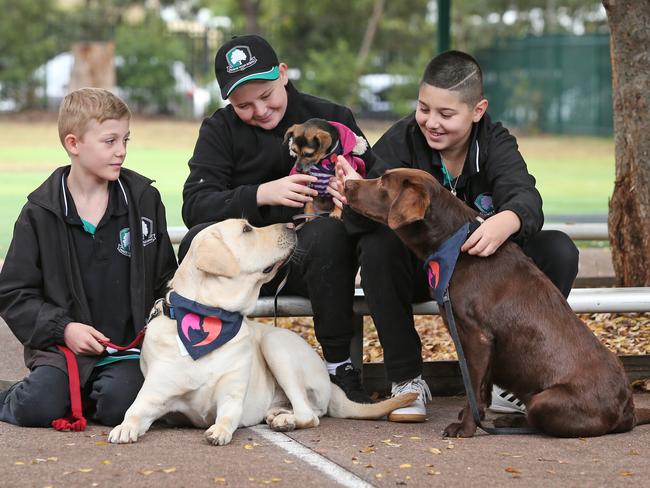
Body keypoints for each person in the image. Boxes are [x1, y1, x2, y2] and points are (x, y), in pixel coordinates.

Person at [332, 50, 579, 422]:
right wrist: (351, 198)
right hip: (422, 273)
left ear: (477, 110)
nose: (432, 122)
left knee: (558, 249)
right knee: (378, 245)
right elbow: (365, 215)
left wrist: (507, 219)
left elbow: (525, 197)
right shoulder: (402, 140)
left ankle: (508, 378)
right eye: (424, 108)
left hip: (481, 276)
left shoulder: (494, 142)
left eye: (446, 114)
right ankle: (407, 381)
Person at [179, 35, 377, 403]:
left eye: (266, 96)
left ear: (283, 74)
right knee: (197, 240)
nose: (260, 110)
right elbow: (195, 204)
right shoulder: (219, 129)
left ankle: (337, 365)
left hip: (315, 264)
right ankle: (200, 357)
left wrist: (353, 190)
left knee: (327, 235)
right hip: (247, 265)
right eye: (244, 105)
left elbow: (377, 184)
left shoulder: (335, 119)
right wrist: (261, 194)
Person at [0, 88, 178, 427]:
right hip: (62, 348)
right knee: (38, 406)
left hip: (126, 348)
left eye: (126, 140)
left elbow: (164, 279)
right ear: (73, 144)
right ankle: (35, 393)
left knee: (120, 406)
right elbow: (13, 293)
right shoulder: (39, 212)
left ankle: (83, 394)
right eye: (110, 141)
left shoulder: (144, 200)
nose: (122, 151)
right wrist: (63, 329)